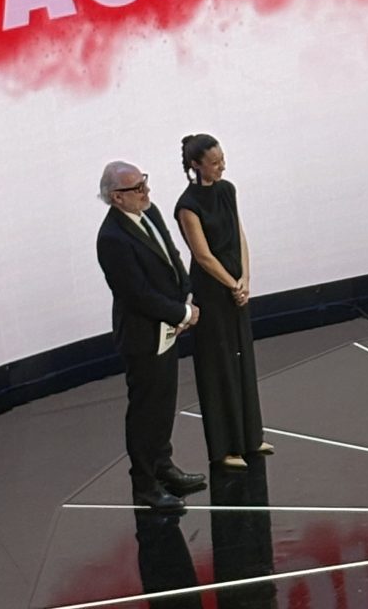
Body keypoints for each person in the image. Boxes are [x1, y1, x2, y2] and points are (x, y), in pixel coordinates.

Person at [96, 161, 207, 511]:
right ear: (117, 197)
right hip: (143, 336)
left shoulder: (150, 212)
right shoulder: (111, 238)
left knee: (164, 405)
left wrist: (186, 294)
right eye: (137, 188)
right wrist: (182, 313)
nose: (146, 192)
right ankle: (144, 485)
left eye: (144, 183)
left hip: (167, 328)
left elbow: (172, 256)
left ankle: (163, 466)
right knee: (146, 412)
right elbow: (136, 294)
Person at [174, 134, 271, 468]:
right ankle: (225, 447)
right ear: (196, 165)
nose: (222, 166)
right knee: (219, 366)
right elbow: (202, 255)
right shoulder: (187, 205)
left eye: (222, 159)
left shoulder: (227, 190)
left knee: (243, 358)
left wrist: (245, 278)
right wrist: (232, 284)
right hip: (213, 291)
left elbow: (239, 235)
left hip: (234, 285)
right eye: (214, 162)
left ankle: (251, 437)